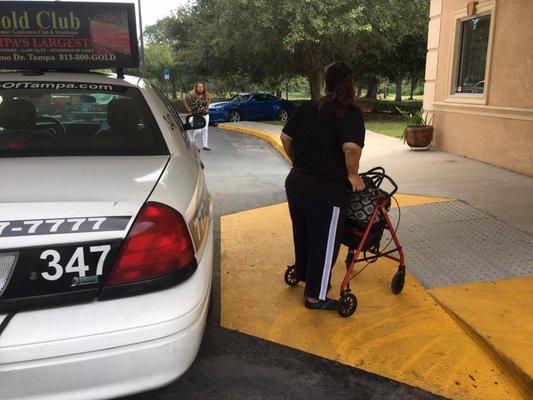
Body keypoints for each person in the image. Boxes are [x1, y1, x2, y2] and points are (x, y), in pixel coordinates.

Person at [280, 61, 366, 311]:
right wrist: (353, 175)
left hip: (296, 185)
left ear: (326, 82)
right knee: (325, 244)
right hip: (326, 192)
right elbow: (350, 147)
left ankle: (305, 275)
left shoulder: (309, 107)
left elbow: (286, 137)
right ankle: (315, 297)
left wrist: (299, 162)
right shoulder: (350, 113)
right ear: (350, 82)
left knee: (304, 235)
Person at [184, 82, 211, 150]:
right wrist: (188, 109)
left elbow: (209, 100)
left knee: (205, 129)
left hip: (205, 114)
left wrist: (207, 107)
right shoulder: (191, 93)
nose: (200, 88)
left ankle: (205, 145)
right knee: (198, 130)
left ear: (203, 87)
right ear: (196, 87)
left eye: (201, 86)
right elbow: (184, 100)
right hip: (196, 115)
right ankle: (193, 142)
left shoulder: (206, 94)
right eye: (199, 86)